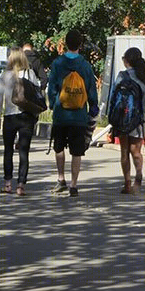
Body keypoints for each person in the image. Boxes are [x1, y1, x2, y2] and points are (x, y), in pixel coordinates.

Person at [46, 30, 99, 197]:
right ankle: (74, 184)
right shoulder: (85, 66)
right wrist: (92, 106)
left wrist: (54, 103)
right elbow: (91, 89)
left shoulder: (57, 64)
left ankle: (61, 178)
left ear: (65, 44)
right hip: (79, 115)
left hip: (61, 114)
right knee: (77, 151)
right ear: (80, 45)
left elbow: (52, 87)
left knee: (59, 147)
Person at [0, 49, 41, 196]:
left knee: (8, 151)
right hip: (27, 117)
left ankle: (7, 184)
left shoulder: (4, 76)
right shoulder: (30, 74)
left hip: (10, 117)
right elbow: (37, 95)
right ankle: (21, 185)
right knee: (24, 152)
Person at [109, 47, 145, 194]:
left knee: (124, 151)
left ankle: (127, 183)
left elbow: (113, 97)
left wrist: (111, 117)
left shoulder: (121, 76)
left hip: (121, 118)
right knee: (136, 151)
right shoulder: (144, 77)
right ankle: (138, 179)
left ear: (126, 60)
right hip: (137, 119)